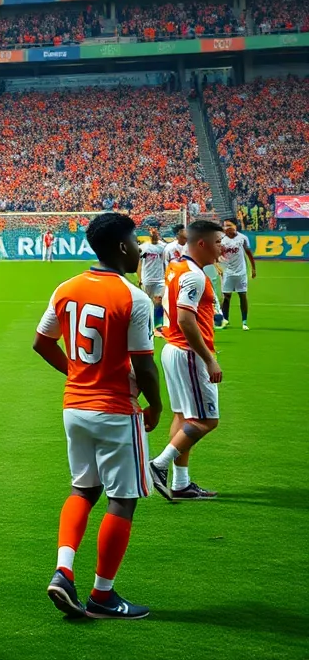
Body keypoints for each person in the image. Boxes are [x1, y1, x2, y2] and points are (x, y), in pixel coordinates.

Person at [33, 211, 161, 621]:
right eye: (136, 241)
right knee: (122, 500)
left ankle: (63, 570)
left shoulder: (66, 287)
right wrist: (155, 405)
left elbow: (41, 342)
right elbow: (144, 365)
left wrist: (76, 371)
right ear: (122, 247)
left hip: (75, 407)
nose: (140, 248)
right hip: (115, 410)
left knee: (82, 490)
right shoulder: (134, 297)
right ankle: (102, 595)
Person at [150, 219, 225, 502]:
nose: (222, 248)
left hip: (173, 349)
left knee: (184, 417)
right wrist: (209, 359)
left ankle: (181, 483)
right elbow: (185, 319)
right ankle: (158, 465)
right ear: (202, 243)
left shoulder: (177, 266)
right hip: (189, 353)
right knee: (208, 420)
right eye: (218, 242)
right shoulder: (193, 275)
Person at [218, 218, 256, 330]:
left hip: (241, 272)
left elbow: (249, 253)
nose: (227, 228)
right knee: (226, 297)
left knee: (242, 295)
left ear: (235, 226)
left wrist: (253, 268)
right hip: (227, 272)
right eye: (225, 226)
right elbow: (216, 254)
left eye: (229, 225)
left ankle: (244, 322)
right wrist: (218, 266)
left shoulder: (243, 238)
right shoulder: (222, 240)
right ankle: (225, 320)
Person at [137, 228, 167, 332]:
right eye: (152, 234)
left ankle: (158, 327)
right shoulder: (143, 247)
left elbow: (165, 262)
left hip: (160, 279)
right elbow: (139, 263)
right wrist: (139, 278)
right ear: (149, 236)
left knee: (159, 300)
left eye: (155, 234)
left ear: (158, 235)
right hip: (147, 279)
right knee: (148, 302)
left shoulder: (163, 247)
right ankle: (147, 324)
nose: (154, 236)